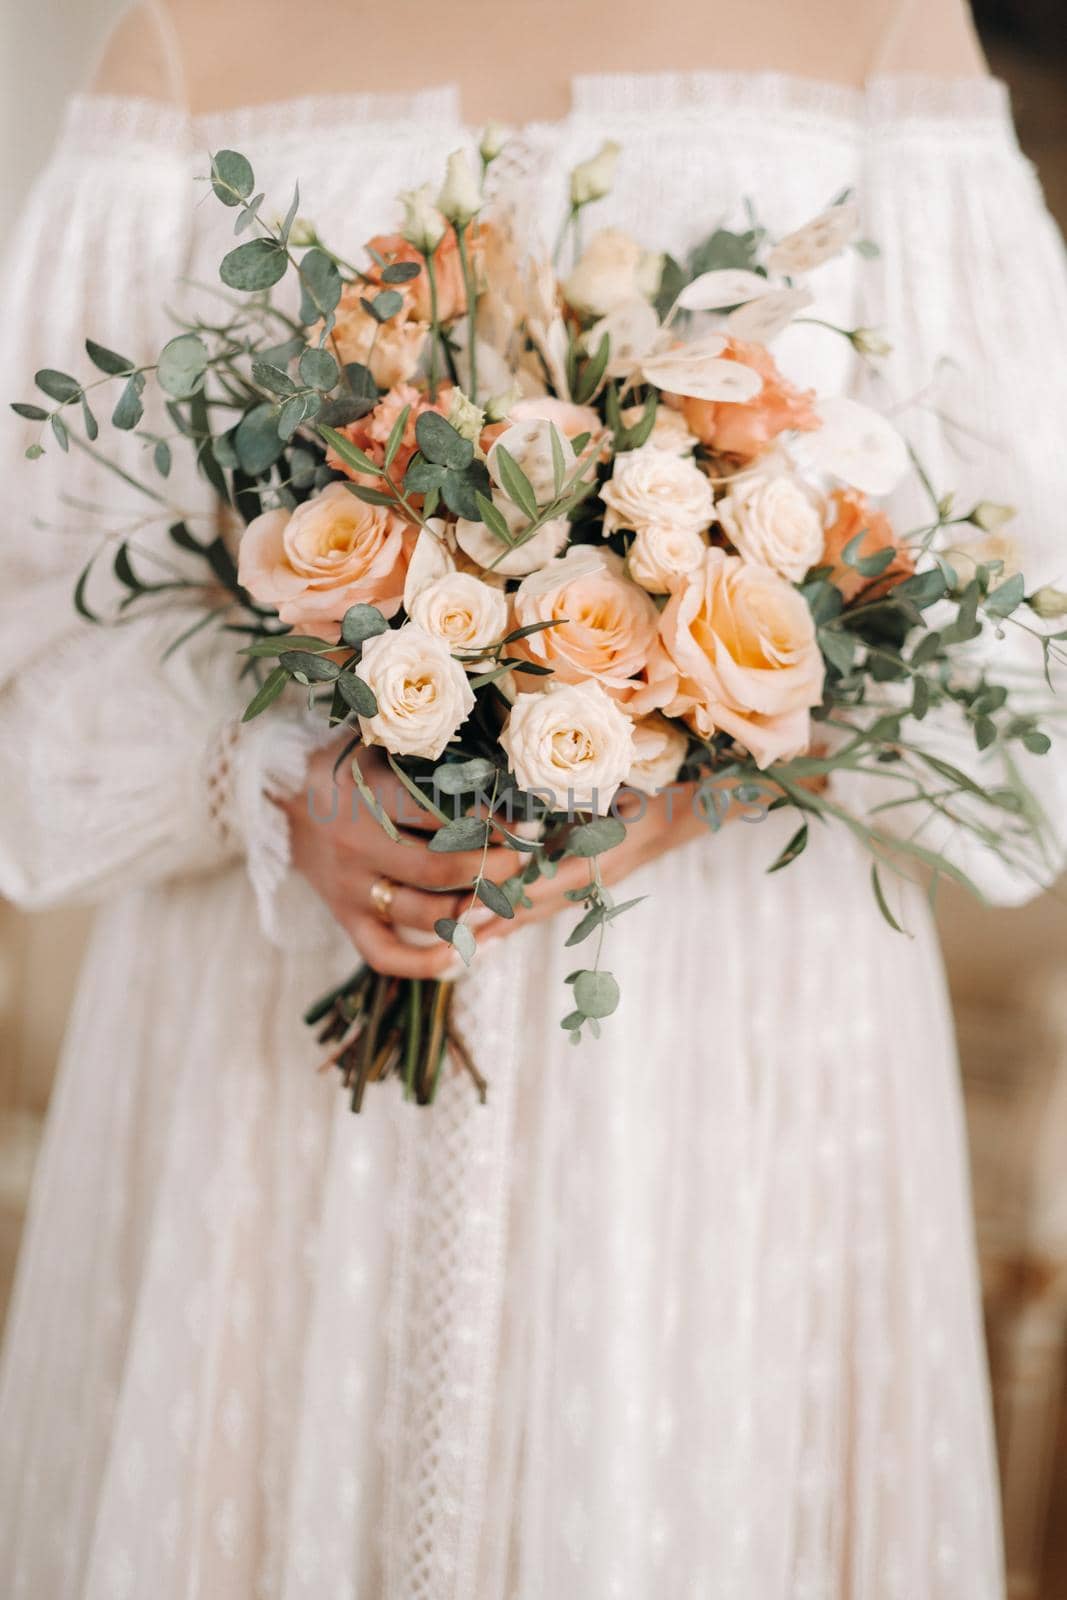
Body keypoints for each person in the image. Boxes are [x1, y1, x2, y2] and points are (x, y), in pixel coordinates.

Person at [1, 1, 1062, 1594]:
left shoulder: (884, 33)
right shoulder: (183, 38)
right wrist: (286, 781)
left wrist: (698, 756)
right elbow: (45, 611)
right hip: (278, 1053)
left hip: (737, 1067)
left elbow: (1020, 605)